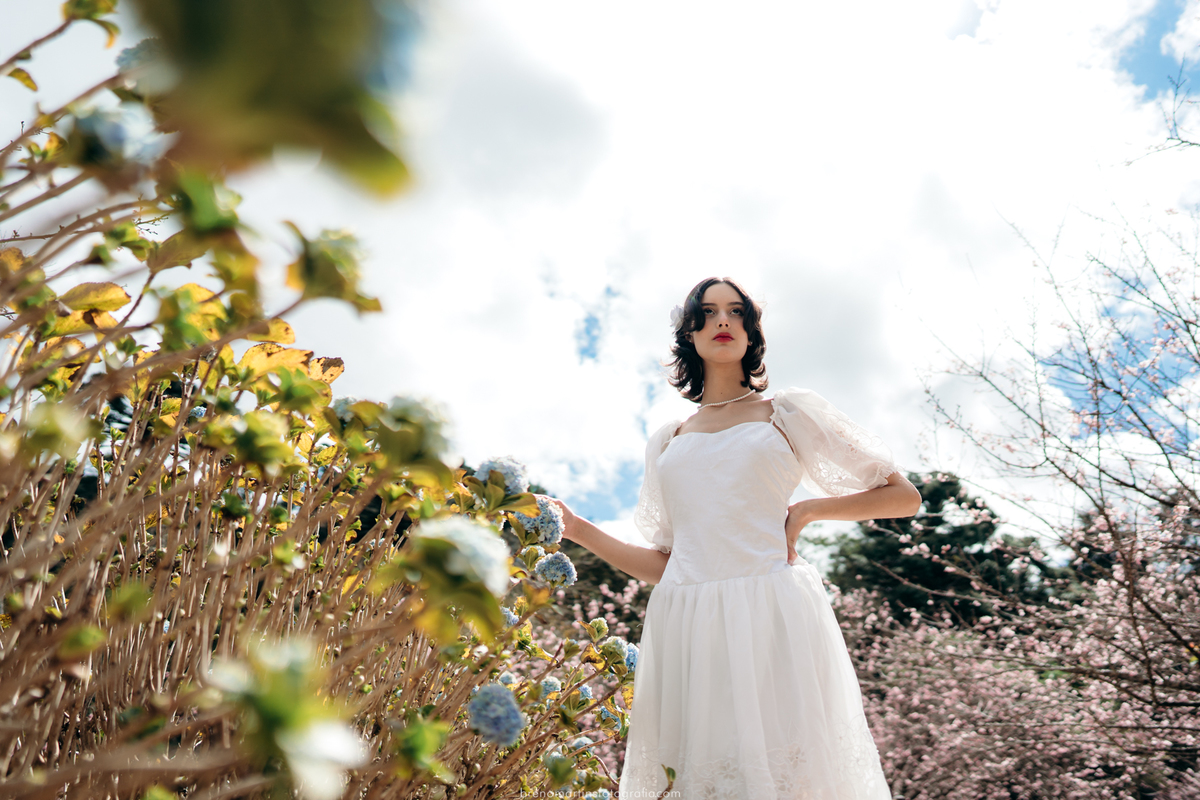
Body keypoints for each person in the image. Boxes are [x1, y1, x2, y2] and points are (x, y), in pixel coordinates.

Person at [552, 277, 921, 799]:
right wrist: (578, 529)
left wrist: (811, 509)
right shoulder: (668, 440)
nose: (721, 321)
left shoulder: (786, 414)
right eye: (706, 313)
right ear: (690, 334)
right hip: (687, 626)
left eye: (735, 311)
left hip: (772, 613)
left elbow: (902, 496)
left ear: (751, 331)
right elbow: (669, 564)